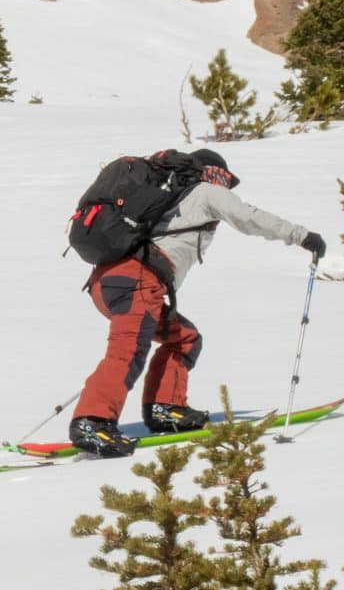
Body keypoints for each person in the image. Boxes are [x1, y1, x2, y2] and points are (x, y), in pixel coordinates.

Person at [69, 148, 323, 458]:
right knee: (128, 350)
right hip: (136, 279)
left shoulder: (167, 196)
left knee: (184, 339)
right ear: (215, 173)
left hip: (109, 281)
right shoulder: (206, 191)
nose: (226, 187)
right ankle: (92, 421)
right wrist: (303, 236)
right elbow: (249, 218)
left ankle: (166, 408)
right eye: (225, 180)